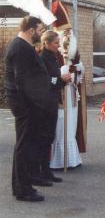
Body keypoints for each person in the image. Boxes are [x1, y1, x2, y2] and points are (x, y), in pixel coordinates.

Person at [4, 16, 57, 202]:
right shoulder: (20, 47)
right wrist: (38, 103)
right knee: (24, 146)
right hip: (26, 105)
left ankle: (24, 183)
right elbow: (23, 81)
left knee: (26, 145)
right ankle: (23, 189)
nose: (41, 33)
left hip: (28, 104)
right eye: (40, 30)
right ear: (31, 30)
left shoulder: (23, 47)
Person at [49, 0, 86, 169]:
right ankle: (57, 160)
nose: (69, 33)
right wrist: (62, 73)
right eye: (66, 30)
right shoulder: (51, 50)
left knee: (71, 125)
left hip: (72, 91)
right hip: (59, 93)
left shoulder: (74, 48)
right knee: (60, 125)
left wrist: (76, 72)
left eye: (70, 30)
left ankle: (71, 158)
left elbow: (80, 67)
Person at [38, 30, 71, 181]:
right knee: (44, 137)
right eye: (56, 43)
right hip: (45, 101)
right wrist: (60, 79)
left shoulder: (52, 56)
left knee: (49, 136)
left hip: (52, 100)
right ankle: (41, 171)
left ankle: (46, 170)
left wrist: (61, 79)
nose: (58, 46)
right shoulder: (42, 58)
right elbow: (46, 79)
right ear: (47, 43)